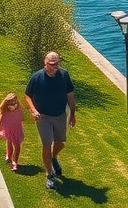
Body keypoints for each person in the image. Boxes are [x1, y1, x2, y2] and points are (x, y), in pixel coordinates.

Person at [25, 51, 76, 190]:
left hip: (60, 115)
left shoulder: (64, 75)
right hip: (43, 117)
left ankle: (53, 158)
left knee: (60, 143)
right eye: (51, 64)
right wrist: (33, 110)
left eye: (57, 64)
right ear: (45, 63)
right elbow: (27, 96)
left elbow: (70, 95)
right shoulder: (37, 77)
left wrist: (72, 114)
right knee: (46, 145)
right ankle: (49, 174)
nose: (54, 67)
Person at [0, 93, 25, 172]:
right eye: (12, 103)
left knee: (17, 146)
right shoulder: (5, 113)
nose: (14, 105)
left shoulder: (19, 111)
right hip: (9, 130)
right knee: (9, 142)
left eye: (15, 103)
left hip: (17, 131)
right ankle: (9, 155)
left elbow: (21, 119)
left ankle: (14, 162)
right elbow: (1, 122)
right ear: (7, 104)